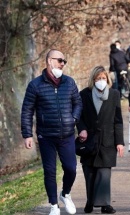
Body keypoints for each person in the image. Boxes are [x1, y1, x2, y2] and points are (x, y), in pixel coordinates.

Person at [21, 49, 82, 215]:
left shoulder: (69, 82)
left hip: (67, 134)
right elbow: (27, 110)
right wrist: (27, 134)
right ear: (49, 61)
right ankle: (54, 205)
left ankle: (65, 194)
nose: (62, 64)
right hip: (46, 136)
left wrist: (74, 119)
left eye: (64, 61)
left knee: (71, 168)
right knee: (50, 171)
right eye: (59, 60)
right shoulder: (35, 85)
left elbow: (78, 103)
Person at [77, 66, 125, 213]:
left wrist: (120, 142)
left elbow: (118, 120)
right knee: (89, 172)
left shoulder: (114, 94)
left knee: (104, 173)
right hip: (89, 140)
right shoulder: (84, 94)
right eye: (98, 79)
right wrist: (82, 129)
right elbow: (78, 116)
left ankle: (105, 204)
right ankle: (90, 201)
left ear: (108, 79)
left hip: (107, 140)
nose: (101, 81)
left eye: (103, 78)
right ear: (93, 80)